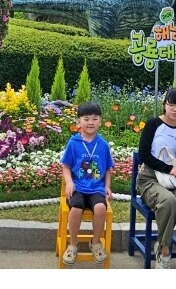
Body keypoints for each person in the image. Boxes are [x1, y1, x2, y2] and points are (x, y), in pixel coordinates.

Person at [138, 87, 176, 269]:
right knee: (169, 201)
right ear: (164, 105)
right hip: (150, 178)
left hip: (174, 180)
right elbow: (144, 156)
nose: (174, 110)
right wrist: (168, 168)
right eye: (171, 105)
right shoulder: (153, 125)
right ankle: (163, 251)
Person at [60, 101, 115, 265]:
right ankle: (73, 244)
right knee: (76, 208)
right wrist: (69, 182)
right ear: (79, 122)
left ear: (100, 121)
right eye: (86, 118)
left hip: (96, 189)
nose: (90, 122)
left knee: (100, 208)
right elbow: (66, 166)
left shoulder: (103, 144)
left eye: (94, 118)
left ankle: (95, 242)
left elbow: (107, 169)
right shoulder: (73, 143)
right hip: (77, 188)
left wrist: (107, 186)